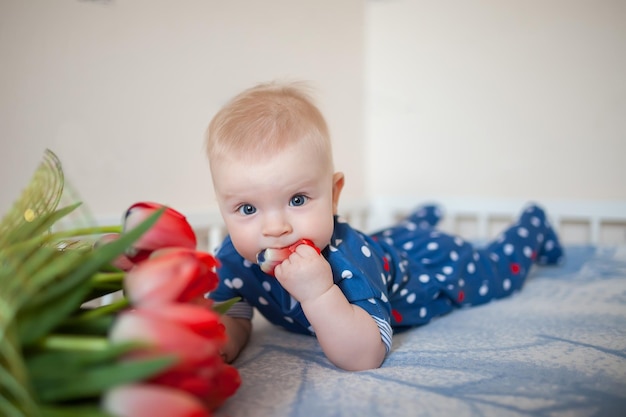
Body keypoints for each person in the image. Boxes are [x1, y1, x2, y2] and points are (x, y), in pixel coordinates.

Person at [204, 81, 564, 371]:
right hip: (387, 245)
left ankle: (533, 227)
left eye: (297, 200)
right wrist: (223, 340)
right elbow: (234, 312)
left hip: (433, 267)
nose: (275, 227)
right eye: (247, 208)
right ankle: (422, 217)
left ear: (333, 194)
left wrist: (318, 294)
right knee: (398, 237)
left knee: (495, 273)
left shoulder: (346, 259)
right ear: (223, 209)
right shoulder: (235, 257)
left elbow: (366, 355)